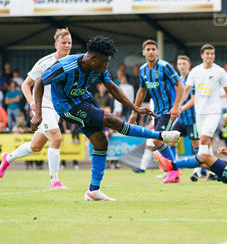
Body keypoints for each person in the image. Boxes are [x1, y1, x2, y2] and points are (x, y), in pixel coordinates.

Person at [26, 35, 180, 201]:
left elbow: (112, 88)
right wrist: (39, 114)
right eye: (104, 62)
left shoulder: (98, 67)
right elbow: (40, 82)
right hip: (67, 107)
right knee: (111, 119)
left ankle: (94, 190)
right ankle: (161, 136)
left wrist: (134, 108)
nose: (107, 65)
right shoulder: (66, 65)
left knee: (101, 142)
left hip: (84, 100)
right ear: (92, 59)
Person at [0, 28, 72, 187]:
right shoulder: (45, 62)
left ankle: (7, 158)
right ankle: (55, 181)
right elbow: (26, 85)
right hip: (42, 107)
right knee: (57, 137)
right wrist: (32, 102)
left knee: (35, 146)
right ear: (56, 44)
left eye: (69, 43)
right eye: (63, 43)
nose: (67, 46)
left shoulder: (72, 62)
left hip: (56, 110)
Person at [128, 39, 184, 184]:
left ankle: (174, 169)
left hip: (169, 110)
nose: (151, 52)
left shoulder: (165, 67)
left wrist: (176, 106)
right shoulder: (142, 70)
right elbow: (142, 90)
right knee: (160, 140)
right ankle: (173, 170)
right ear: (143, 52)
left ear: (157, 51)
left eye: (153, 49)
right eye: (148, 49)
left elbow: (179, 85)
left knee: (157, 139)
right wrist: (134, 112)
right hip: (157, 112)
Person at [179, 43, 227, 181]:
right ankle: (215, 172)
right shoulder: (195, 71)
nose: (210, 56)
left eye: (212, 54)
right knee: (206, 142)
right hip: (199, 112)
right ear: (202, 55)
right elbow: (186, 90)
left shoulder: (220, 71)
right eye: (207, 54)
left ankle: (197, 170)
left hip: (214, 112)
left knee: (202, 139)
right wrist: (178, 104)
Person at [170, 55, 199, 169]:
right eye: (180, 64)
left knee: (196, 144)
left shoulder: (192, 80)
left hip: (193, 119)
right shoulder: (178, 81)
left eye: (184, 64)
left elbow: (193, 99)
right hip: (181, 119)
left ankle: (199, 170)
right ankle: (172, 167)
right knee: (170, 140)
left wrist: (181, 108)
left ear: (189, 65)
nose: (182, 66)